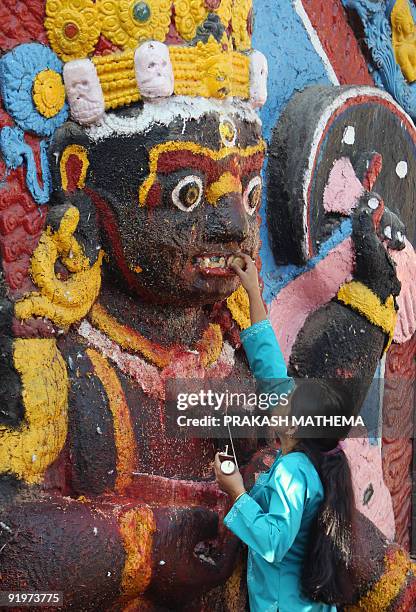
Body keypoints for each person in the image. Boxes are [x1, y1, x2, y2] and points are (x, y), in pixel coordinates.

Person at [213, 253, 356, 612]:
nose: (282, 395)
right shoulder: (311, 455)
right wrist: (252, 294)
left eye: (288, 399)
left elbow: (274, 542)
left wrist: (237, 493)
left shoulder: (294, 472)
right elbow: (271, 369)